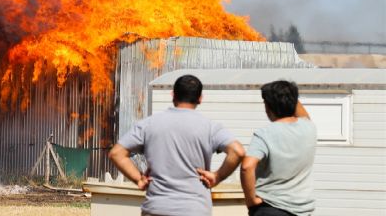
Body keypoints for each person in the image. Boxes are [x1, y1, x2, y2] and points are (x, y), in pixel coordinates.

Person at [109, 74, 245, 216]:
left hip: (157, 207)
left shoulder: (149, 124)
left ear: (173, 95)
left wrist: (139, 179)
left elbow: (116, 153)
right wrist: (217, 176)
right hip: (195, 209)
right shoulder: (210, 127)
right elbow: (238, 151)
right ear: (200, 98)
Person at [240, 80, 316, 216]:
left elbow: (247, 167)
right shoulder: (309, 128)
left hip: (269, 208)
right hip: (302, 210)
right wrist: (288, 95)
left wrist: (250, 200)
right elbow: (302, 113)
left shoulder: (264, 134)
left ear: (268, 106)